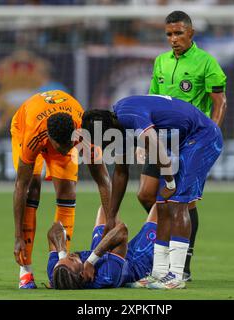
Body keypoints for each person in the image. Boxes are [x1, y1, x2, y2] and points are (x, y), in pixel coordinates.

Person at [82, 94, 223, 289]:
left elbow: (157, 148)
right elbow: (121, 173)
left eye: (101, 142)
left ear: (106, 130)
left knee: (177, 203)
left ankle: (176, 276)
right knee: (163, 206)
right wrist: (111, 216)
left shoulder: (129, 116)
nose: (103, 146)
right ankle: (159, 272)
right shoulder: (119, 126)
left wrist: (170, 183)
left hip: (202, 137)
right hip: (181, 141)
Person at [141, 10, 227, 281]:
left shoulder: (206, 62)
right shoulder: (161, 62)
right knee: (147, 195)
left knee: (181, 203)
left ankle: (181, 265)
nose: (173, 39)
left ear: (191, 33)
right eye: (169, 34)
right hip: (161, 139)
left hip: (189, 141)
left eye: (178, 33)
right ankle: (168, 243)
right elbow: (153, 99)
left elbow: (219, 101)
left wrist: (210, 134)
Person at [11, 89, 111, 289]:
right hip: (24, 126)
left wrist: (111, 220)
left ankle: (59, 262)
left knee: (67, 191)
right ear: (50, 137)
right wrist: (17, 237)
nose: (67, 150)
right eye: (62, 146)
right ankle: (26, 271)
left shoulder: (84, 133)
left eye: (70, 145)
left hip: (59, 127)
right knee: (32, 189)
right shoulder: (34, 135)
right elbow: (20, 186)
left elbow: (103, 180)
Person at [47, 206, 158, 289]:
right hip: (134, 261)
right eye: (71, 259)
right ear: (82, 274)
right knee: (161, 207)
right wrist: (90, 261)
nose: (70, 255)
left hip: (101, 253)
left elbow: (55, 227)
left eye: (64, 259)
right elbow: (122, 230)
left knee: (107, 208)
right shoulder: (107, 275)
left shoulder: (58, 272)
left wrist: (62, 254)